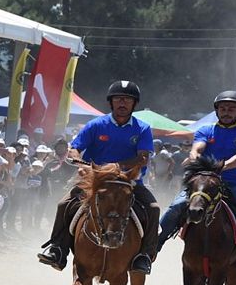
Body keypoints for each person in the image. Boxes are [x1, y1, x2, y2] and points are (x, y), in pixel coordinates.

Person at [37, 80, 159, 274]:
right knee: (63, 204)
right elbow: (75, 149)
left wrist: (113, 168)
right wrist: (80, 164)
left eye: (127, 100)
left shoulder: (142, 128)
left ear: (134, 104)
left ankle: (144, 255)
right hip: (94, 180)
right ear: (111, 102)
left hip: (128, 182)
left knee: (153, 209)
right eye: (118, 99)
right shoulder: (95, 125)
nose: (122, 103)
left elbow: (142, 157)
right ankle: (58, 249)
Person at [156, 91, 236, 282]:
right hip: (205, 184)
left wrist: (218, 167)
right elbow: (196, 149)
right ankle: (152, 248)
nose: (226, 112)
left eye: (231, 109)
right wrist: (196, 160)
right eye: (222, 108)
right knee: (175, 207)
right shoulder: (205, 130)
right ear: (216, 110)